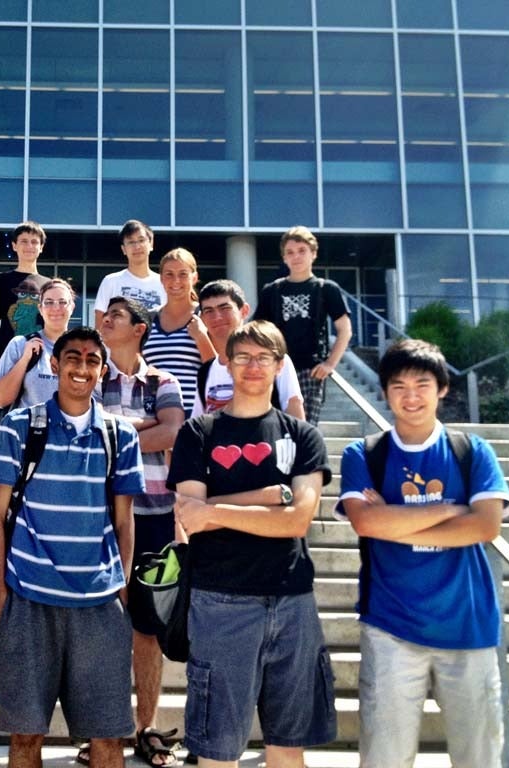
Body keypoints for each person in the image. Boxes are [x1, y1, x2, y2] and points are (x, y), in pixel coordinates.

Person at [336, 338, 509, 768]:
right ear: (384, 391)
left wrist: (392, 521)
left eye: (422, 384)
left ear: (443, 389)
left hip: (468, 627)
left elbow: (486, 526)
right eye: (398, 386)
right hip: (391, 626)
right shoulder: (365, 454)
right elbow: (366, 523)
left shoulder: (472, 452)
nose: (410, 396)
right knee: (385, 758)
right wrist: (452, 509)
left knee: (480, 757)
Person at [167, 320, 336, 768]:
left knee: (288, 746)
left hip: (292, 600)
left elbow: (299, 518)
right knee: (217, 749)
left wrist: (215, 509)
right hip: (219, 601)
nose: (253, 366)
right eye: (243, 356)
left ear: (280, 366)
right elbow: (189, 518)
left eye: (265, 357)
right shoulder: (198, 433)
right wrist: (267, 499)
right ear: (227, 362)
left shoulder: (303, 436)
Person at [0, 326, 145, 768]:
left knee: (108, 741)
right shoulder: (19, 427)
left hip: (99, 604)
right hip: (29, 598)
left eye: (92, 360)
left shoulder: (120, 435)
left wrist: (122, 587)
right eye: (72, 357)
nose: (81, 367)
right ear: (54, 364)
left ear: (102, 369)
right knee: (24, 739)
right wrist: (1, 595)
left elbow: (123, 520)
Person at [99, 297, 185, 768]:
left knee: (147, 629)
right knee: (105, 627)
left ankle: (145, 727)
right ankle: (105, 731)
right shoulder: (92, 376)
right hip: (102, 519)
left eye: (115, 316)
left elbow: (174, 432)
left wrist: (121, 431)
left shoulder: (163, 381)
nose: (106, 321)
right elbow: (90, 434)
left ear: (138, 328)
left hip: (155, 516)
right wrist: (145, 426)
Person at [252, 225, 352, 427]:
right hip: (276, 368)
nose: (296, 257)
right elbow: (257, 329)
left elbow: (345, 330)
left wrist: (330, 364)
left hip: (310, 370)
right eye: (290, 252)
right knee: (272, 428)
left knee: (304, 431)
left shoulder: (326, 289)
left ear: (313, 254)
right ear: (284, 257)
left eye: (302, 251)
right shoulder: (272, 290)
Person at [192, 279, 304, 421]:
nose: (217, 317)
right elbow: (198, 423)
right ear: (202, 318)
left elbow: (295, 415)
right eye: (209, 311)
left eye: (224, 308)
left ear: (244, 311)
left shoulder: (271, 360)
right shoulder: (205, 372)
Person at [0, 221, 51, 429]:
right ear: (14, 245)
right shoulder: (1, 280)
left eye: (34, 242)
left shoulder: (49, 284)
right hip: (8, 361)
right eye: (23, 241)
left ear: (41, 247)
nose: (29, 246)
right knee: (4, 427)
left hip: (39, 366)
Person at [142, 248, 216, 418]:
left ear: (194, 277)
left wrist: (201, 337)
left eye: (183, 274)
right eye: (169, 274)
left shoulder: (205, 315)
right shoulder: (148, 318)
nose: (176, 281)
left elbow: (216, 369)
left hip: (194, 415)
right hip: (153, 415)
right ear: (161, 279)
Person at [0, 278, 76, 413]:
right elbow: (1, 399)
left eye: (63, 302)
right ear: (40, 308)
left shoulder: (83, 349)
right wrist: (24, 360)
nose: (56, 308)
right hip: (30, 431)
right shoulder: (20, 344)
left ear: (72, 307)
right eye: (48, 302)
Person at [94, 219, 166, 328]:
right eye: (131, 242)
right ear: (123, 249)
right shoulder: (111, 282)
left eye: (141, 240)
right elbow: (100, 325)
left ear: (151, 244)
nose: (137, 246)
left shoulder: (164, 283)